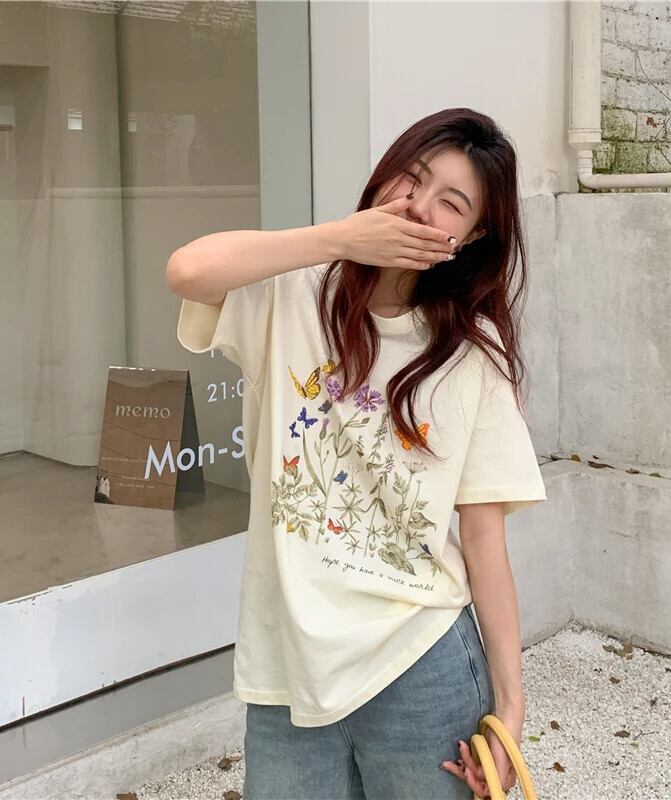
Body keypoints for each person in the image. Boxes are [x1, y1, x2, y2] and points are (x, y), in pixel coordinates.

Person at [167, 107, 546, 799]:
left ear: (471, 236)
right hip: (287, 674)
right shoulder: (293, 293)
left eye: (451, 203)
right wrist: (341, 237)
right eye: (413, 177)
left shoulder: (472, 351)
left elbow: (483, 537)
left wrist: (512, 710)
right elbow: (188, 270)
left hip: (422, 663)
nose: (418, 206)